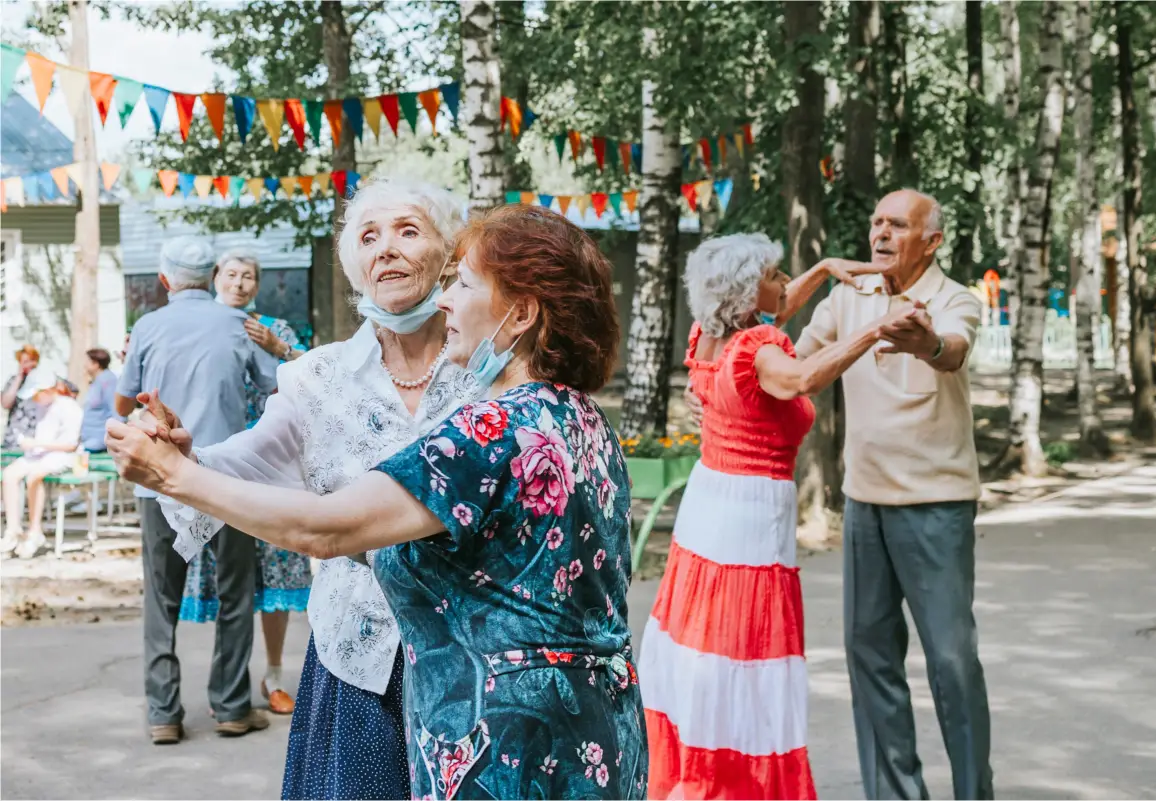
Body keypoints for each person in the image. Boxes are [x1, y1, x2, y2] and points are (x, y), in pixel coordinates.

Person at [107, 205, 650, 800]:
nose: (446, 302)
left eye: (461, 284)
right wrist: (190, 463)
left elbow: (327, 531)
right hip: (595, 729)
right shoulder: (582, 418)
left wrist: (172, 476)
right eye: (369, 237)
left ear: (519, 312)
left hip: (508, 744)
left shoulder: (491, 427)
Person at [123, 177, 482, 800]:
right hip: (358, 656)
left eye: (408, 230)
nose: (387, 249)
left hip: (472, 656)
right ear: (356, 267)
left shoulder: (485, 372)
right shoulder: (319, 377)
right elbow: (252, 459)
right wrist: (189, 458)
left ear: (448, 255)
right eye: (369, 237)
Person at [641, 234, 907, 799]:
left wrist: (827, 268)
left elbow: (780, 303)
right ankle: (736, 782)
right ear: (745, 291)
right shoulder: (758, 348)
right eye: (773, 271)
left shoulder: (710, 337)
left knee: (705, 646)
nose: (785, 279)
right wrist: (875, 329)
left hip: (708, 503)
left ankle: (697, 772)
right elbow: (803, 379)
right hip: (749, 516)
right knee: (745, 648)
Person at [798, 189, 992, 800]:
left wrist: (927, 344)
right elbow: (790, 360)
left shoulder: (953, 298)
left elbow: (954, 348)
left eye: (897, 225)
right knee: (869, 657)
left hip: (936, 505)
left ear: (930, 240)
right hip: (864, 504)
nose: (880, 234)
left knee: (952, 662)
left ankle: (972, 792)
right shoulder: (847, 297)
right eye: (876, 222)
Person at [115, 235, 281, 745]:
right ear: (211, 277)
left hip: (159, 480)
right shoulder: (238, 324)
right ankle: (231, 706)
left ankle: (164, 713)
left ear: (165, 279)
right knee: (237, 593)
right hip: (225, 478)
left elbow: (123, 406)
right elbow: (276, 388)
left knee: (161, 598)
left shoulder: (146, 325)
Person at [178, 251, 311, 717]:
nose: (239, 282)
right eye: (231, 274)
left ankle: (273, 674)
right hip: (219, 461)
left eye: (248, 276)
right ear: (215, 278)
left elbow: (317, 384)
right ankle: (229, 688)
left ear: (257, 284)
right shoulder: (195, 325)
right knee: (231, 583)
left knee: (276, 572)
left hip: (273, 469)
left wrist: (279, 348)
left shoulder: (273, 328)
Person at [1, 367, 83, 558]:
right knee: (10, 474)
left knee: (35, 476)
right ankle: (13, 530)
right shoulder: (40, 407)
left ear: (48, 390)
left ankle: (34, 530)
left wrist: (37, 444)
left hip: (61, 456)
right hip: (39, 453)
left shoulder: (69, 407)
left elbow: (70, 445)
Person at [80, 349, 121, 453]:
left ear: (96, 364)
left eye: (87, 361)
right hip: (89, 440)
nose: (84, 365)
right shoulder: (97, 381)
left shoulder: (108, 381)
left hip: (100, 442)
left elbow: (117, 411)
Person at [2, 345, 42, 449]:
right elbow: (5, 403)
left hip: (34, 440)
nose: (25, 365)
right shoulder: (12, 381)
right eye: (22, 362)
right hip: (12, 440)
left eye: (28, 361)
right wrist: (19, 377)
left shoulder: (42, 383)